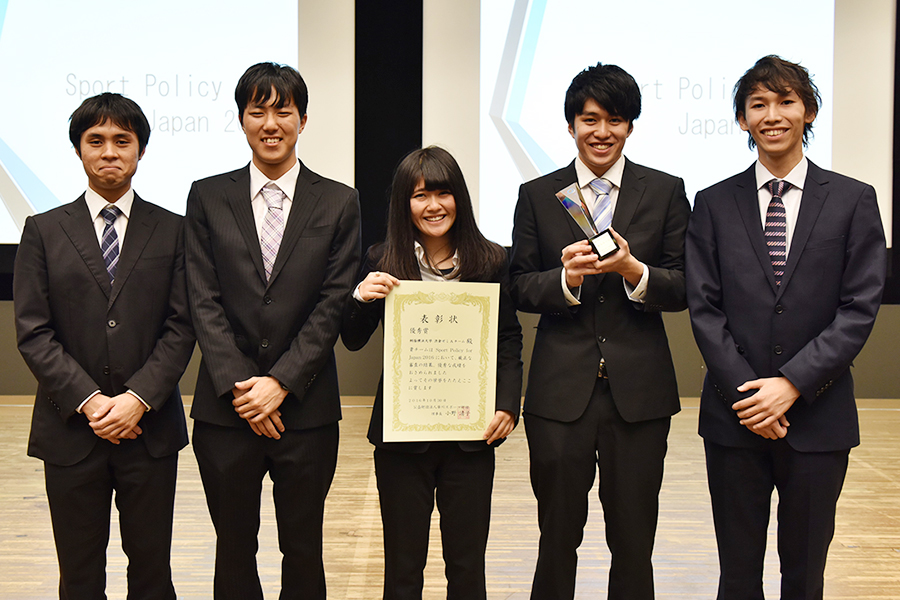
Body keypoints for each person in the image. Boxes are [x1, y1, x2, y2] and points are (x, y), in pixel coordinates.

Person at [685, 55, 886, 600]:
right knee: (737, 574)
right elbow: (703, 309)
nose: (772, 115)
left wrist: (792, 384)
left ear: (809, 111)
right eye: (758, 104)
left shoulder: (853, 199)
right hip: (734, 419)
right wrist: (753, 396)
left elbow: (859, 307)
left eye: (786, 101)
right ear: (743, 121)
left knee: (805, 575)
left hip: (819, 419)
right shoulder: (712, 203)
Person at [508, 63, 690, 599]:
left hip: (640, 394)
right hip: (560, 394)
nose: (601, 132)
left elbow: (685, 286)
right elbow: (518, 285)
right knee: (556, 538)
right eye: (590, 119)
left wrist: (636, 272)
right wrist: (564, 280)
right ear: (570, 126)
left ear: (630, 126)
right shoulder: (540, 194)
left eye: (615, 119)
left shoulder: (664, 191)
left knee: (634, 542)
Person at [184, 62, 360, 600]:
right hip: (225, 412)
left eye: (282, 110)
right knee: (233, 548)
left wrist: (280, 383)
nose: (270, 122)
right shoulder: (207, 196)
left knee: (303, 548)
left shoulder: (338, 201)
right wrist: (244, 387)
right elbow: (201, 297)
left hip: (305, 411)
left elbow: (333, 302)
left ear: (303, 120)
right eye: (257, 110)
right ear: (241, 120)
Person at [14, 92, 194, 599]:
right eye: (96, 140)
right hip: (71, 431)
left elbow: (181, 327)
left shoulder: (173, 230)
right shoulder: (43, 231)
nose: (109, 151)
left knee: (153, 572)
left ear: (141, 150)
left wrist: (136, 399)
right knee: (80, 573)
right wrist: (92, 401)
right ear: (78, 150)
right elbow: (33, 331)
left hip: (150, 430)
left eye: (122, 140)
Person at [341, 146, 523, 599]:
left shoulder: (492, 261)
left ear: (459, 197)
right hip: (403, 438)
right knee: (403, 569)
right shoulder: (382, 259)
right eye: (421, 196)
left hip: (470, 436)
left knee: (466, 567)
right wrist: (361, 297)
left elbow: (508, 339)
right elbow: (353, 339)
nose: (434, 206)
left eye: (444, 193)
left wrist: (507, 402)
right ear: (405, 204)